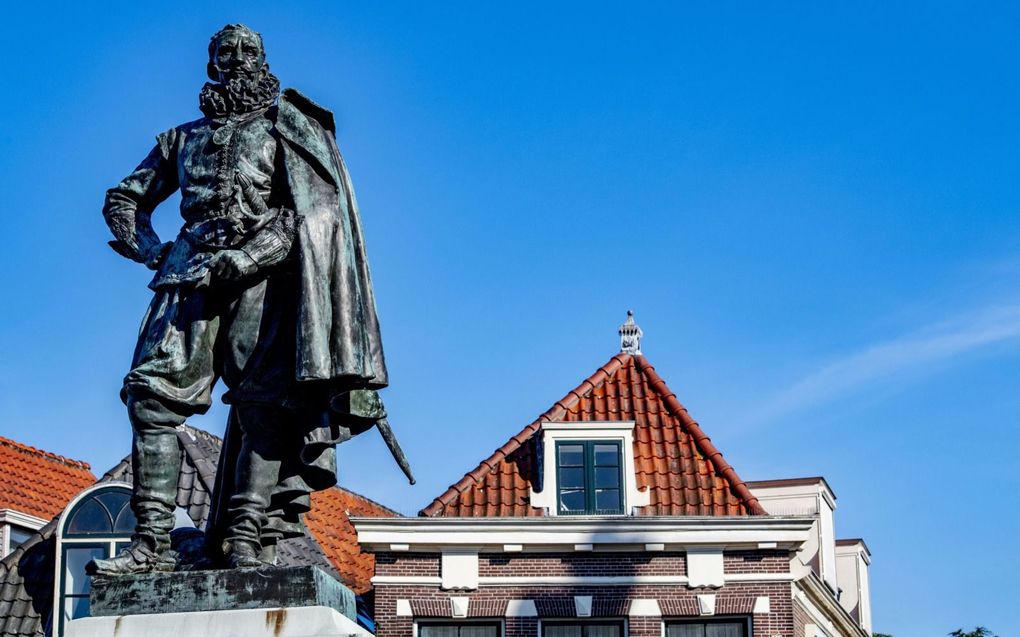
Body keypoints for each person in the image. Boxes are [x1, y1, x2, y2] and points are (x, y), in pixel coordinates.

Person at [88, 23, 388, 574]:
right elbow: (125, 199)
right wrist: (150, 247)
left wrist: (251, 256)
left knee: (266, 404)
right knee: (150, 400)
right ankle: (150, 542)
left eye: (248, 51)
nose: (237, 59)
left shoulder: (286, 130)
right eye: (226, 52)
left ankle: (246, 537)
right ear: (212, 64)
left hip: (264, 281)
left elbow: (310, 214)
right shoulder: (180, 139)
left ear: (262, 60)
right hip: (186, 277)